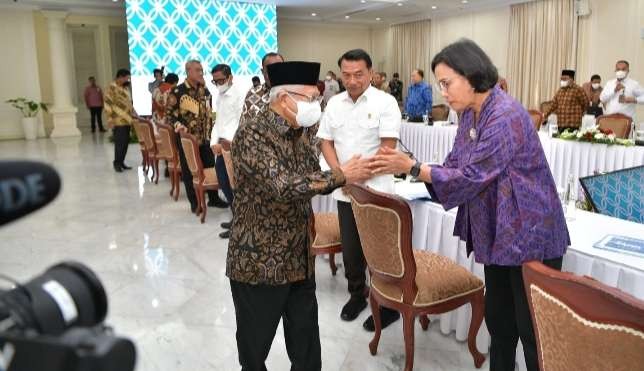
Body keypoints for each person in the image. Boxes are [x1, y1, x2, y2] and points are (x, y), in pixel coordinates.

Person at [370, 39, 569, 371]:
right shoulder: (469, 115)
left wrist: (414, 168)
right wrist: (418, 169)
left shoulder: (504, 115)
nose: (443, 93)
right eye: (440, 85)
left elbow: (473, 175)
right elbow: (455, 164)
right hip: (500, 230)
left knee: (532, 332)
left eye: (447, 83)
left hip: (531, 233)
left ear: (472, 74)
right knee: (500, 323)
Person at [227, 61, 372, 371]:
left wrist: (341, 175)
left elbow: (308, 181)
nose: (314, 105)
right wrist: (339, 175)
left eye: (316, 98)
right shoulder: (253, 133)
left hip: (298, 256)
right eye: (308, 98)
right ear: (283, 99)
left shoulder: (302, 132)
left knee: (307, 348)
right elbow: (282, 186)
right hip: (259, 261)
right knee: (254, 351)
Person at [317, 49, 402, 331]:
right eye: (346, 74)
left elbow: (387, 146)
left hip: (377, 191)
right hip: (345, 190)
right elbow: (326, 142)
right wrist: (342, 175)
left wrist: (360, 176)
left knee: (380, 252)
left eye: (358, 74)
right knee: (352, 252)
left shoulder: (386, 102)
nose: (352, 80)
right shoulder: (334, 104)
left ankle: (388, 306)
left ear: (370, 72)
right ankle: (357, 295)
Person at [166, 60, 227, 213]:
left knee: (209, 167)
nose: (201, 73)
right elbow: (169, 115)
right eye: (198, 70)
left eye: (201, 70)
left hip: (205, 138)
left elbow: (209, 112)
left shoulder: (204, 91)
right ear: (188, 71)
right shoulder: (177, 91)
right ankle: (195, 203)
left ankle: (213, 199)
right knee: (189, 171)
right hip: (188, 140)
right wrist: (178, 126)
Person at [209, 64, 245, 239]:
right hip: (220, 146)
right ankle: (236, 218)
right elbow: (218, 122)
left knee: (233, 186)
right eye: (215, 81)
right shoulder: (220, 95)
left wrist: (225, 142)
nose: (218, 84)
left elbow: (240, 122)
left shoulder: (239, 95)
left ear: (230, 77)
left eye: (221, 80)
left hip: (232, 147)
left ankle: (240, 224)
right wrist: (213, 141)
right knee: (224, 183)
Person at [104, 69, 136, 173]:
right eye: (126, 78)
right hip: (118, 120)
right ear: (120, 77)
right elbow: (108, 104)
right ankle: (116, 163)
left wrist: (134, 113)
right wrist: (109, 119)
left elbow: (129, 102)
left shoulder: (126, 88)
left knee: (125, 142)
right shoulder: (111, 88)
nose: (128, 80)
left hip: (127, 119)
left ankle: (121, 162)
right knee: (120, 143)